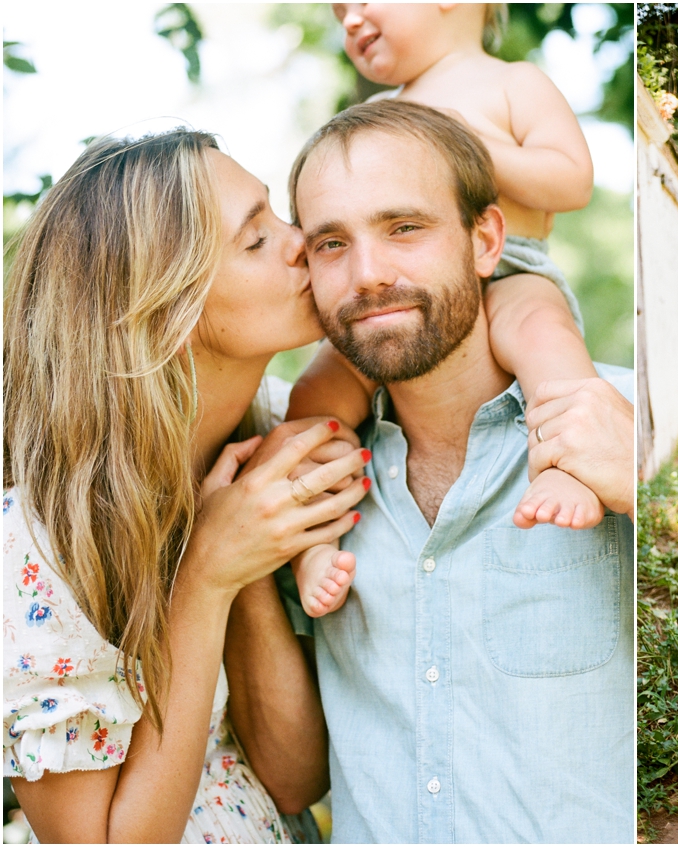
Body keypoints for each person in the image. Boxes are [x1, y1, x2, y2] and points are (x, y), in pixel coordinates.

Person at [280, 98, 635, 842]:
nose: (369, 274)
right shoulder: (302, 482)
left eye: (404, 227)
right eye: (331, 244)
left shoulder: (625, 420)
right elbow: (290, 770)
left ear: (485, 240)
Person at [2, 129, 368, 843]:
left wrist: (242, 560)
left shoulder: (265, 447)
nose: (303, 241)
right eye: (257, 239)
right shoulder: (38, 542)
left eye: (279, 217)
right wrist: (203, 578)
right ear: (166, 310)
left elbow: (295, 775)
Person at [285, 2, 605, 618]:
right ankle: (312, 541)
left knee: (545, 339)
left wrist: (462, 139)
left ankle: (570, 464)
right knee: (316, 394)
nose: (349, 19)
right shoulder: (372, 118)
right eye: (338, 9)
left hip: (515, 270)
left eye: (363, 0)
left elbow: (571, 181)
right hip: (395, 306)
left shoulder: (513, 84)